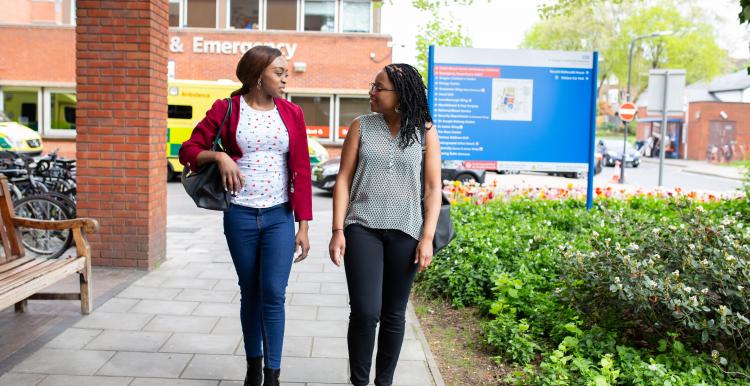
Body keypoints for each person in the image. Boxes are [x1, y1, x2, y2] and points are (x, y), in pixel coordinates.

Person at [179, 45, 312, 386]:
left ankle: (273, 375)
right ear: (257, 75)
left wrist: (304, 226)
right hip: (239, 216)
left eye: (286, 72)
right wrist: (220, 158)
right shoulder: (226, 108)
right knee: (250, 291)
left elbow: (301, 168)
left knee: (273, 292)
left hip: (279, 216)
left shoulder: (292, 113)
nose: (285, 78)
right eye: (279, 72)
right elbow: (188, 151)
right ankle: (254, 368)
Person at [328, 63, 442, 386]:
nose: (372, 92)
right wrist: (338, 230)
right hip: (362, 227)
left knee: (394, 312)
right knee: (365, 311)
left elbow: (434, 188)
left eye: (379, 88)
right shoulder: (360, 126)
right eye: (373, 86)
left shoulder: (425, 131)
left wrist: (428, 237)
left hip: (406, 231)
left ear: (401, 95)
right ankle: (360, 382)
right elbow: (343, 179)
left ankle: (384, 382)